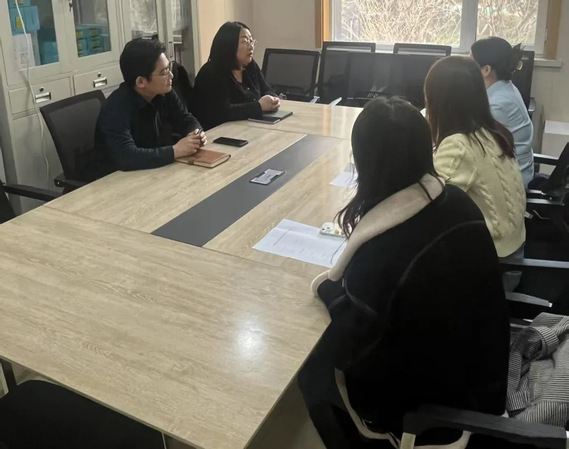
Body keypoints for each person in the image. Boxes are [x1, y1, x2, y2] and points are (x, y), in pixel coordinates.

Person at [299, 97, 510, 448]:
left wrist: (329, 290)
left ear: (363, 161)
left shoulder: (380, 255)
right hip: (481, 371)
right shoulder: (458, 201)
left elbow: (352, 349)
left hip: (433, 408)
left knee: (310, 367)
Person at [425, 56, 526, 259]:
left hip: (491, 262)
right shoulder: (493, 132)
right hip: (513, 251)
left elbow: (427, 207)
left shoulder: (458, 146)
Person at [90, 39, 206, 180]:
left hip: (153, 171)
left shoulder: (164, 92)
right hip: (116, 179)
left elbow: (186, 118)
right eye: (164, 72)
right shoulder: (116, 107)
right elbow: (127, 156)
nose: (171, 76)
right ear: (141, 82)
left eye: (169, 68)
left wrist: (195, 133)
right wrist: (175, 151)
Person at [471, 37, 534, 187]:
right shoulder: (505, 88)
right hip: (514, 171)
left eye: (471, 64)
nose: (466, 69)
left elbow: (476, 148)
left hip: (511, 183)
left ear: (486, 70)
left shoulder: (497, 105)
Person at [192, 21, 280, 130]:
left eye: (251, 41)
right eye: (244, 42)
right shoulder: (211, 73)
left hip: (249, 127)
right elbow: (222, 112)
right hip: (219, 132)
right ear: (229, 46)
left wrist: (272, 99)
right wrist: (259, 106)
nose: (251, 47)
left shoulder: (250, 65)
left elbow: (266, 89)